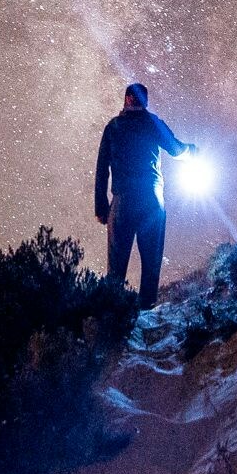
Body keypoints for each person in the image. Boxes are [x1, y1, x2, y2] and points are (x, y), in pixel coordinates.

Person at [93, 81, 196, 310]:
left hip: (123, 200)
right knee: (151, 259)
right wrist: (193, 151)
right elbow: (176, 149)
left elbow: (102, 170)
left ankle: (115, 314)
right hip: (151, 197)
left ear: (126, 99)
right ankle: (147, 307)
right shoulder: (152, 122)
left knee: (116, 263)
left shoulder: (113, 127)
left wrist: (101, 208)